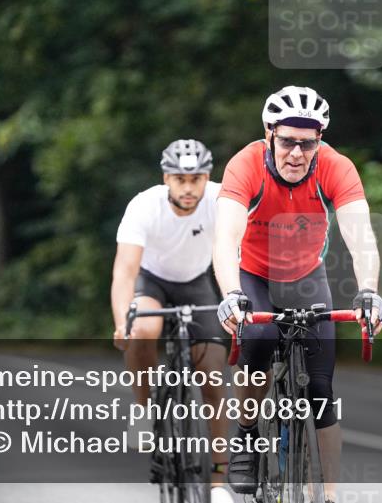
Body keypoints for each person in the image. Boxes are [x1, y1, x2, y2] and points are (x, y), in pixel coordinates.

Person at [213, 86, 382, 502]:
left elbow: (361, 237)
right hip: (253, 274)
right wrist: (232, 294)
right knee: (257, 344)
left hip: (307, 278)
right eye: (288, 141)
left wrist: (368, 292)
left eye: (307, 144)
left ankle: (326, 496)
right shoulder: (245, 166)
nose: (296, 153)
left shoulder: (335, 167)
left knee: (322, 393)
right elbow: (224, 240)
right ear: (270, 133)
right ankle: (248, 433)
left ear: (319, 141)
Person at [110, 139, 232, 503]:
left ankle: (218, 481)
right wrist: (122, 322)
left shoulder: (222, 200)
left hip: (196, 282)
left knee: (212, 371)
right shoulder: (144, 207)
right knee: (143, 329)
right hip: (153, 280)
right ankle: (146, 410)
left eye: (196, 179)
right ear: (167, 178)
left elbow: (239, 249)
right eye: (180, 179)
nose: (189, 188)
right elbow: (124, 271)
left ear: (207, 178)